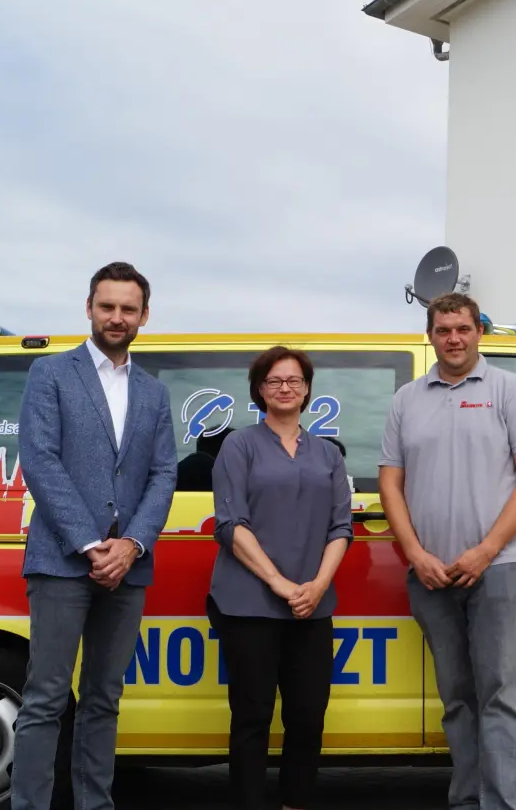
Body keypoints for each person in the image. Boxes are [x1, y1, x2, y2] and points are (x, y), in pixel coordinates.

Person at [12, 261, 178, 810]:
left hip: (127, 567)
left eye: (128, 309)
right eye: (107, 306)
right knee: (45, 699)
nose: (116, 317)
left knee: (105, 700)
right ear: (89, 308)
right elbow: (40, 461)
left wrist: (130, 545)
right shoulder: (51, 374)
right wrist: (90, 543)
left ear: (144, 316)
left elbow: (163, 474)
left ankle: (94, 804)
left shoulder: (154, 393)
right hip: (63, 561)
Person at [379, 293, 516, 810]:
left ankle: (500, 804)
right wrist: (415, 555)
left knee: (500, 697)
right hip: (431, 574)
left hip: (498, 569)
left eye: (463, 329)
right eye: (444, 329)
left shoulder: (508, 390)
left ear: (479, 333)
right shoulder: (407, 399)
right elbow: (390, 484)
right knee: (457, 699)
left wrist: (486, 551)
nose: (454, 338)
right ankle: (467, 801)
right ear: (430, 335)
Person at [206, 346, 353, 810]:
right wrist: (282, 584)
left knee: (308, 716)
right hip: (249, 602)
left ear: (307, 389)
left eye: (293, 380)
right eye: (274, 381)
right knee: (252, 716)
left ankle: (295, 802)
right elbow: (230, 524)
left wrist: (317, 585)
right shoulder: (239, 445)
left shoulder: (328, 453)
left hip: (312, 603)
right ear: (260, 391)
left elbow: (341, 527)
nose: (285, 388)